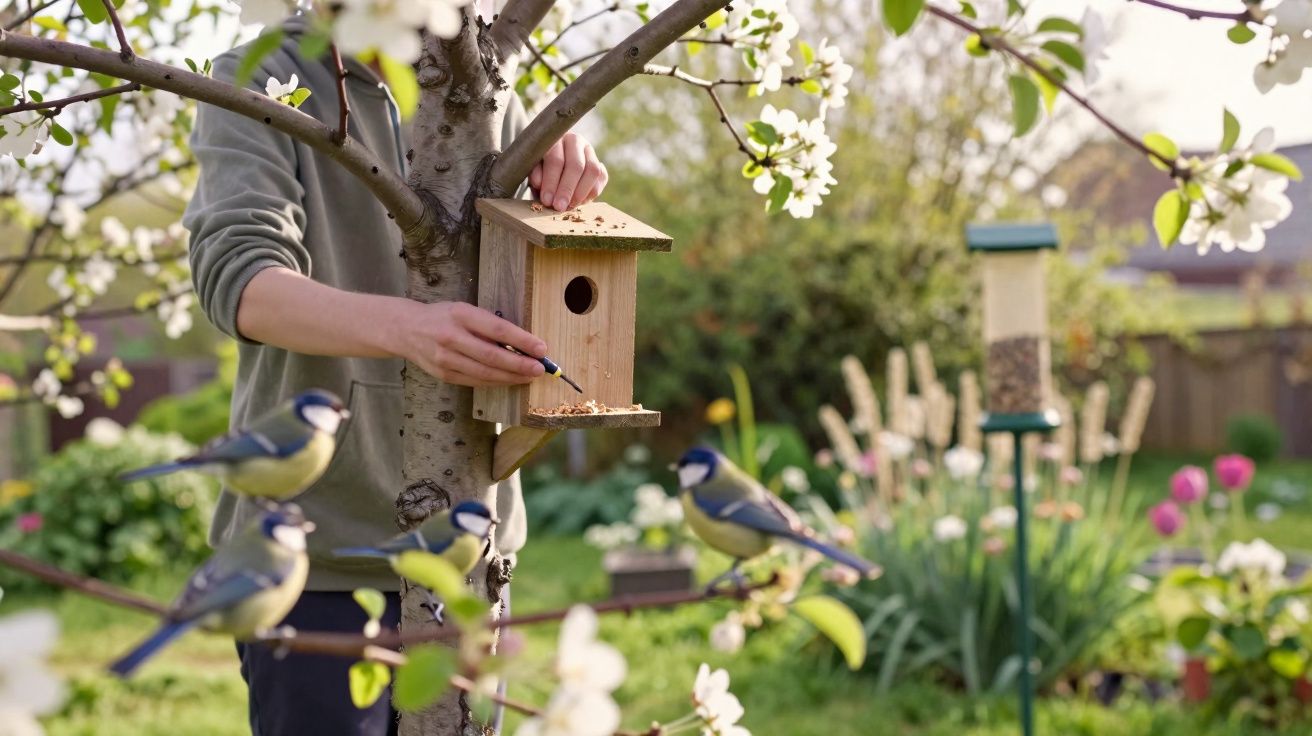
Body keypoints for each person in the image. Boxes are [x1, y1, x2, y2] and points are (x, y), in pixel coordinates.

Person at [184, 10, 607, 736]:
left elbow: (526, 264)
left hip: (470, 551)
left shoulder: (485, 84)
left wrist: (563, 174)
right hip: (311, 556)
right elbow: (240, 280)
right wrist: (411, 331)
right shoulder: (263, 76)